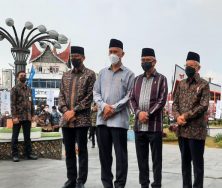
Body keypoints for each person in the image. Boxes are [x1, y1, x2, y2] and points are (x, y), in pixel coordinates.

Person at [93, 38, 135, 188]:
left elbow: (130, 96)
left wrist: (113, 108)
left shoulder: (130, 74)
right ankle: (107, 184)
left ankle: (119, 185)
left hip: (119, 122)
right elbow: (96, 93)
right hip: (102, 120)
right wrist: (104, 106)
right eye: (110, 51)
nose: (113, 54)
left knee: (120, 156)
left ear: (122, 53)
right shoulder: (102, 73)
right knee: (104, 156)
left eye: (115, 52)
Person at [129, 48, 168, 188]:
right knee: (142, 159)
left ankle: (157, 184)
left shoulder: (162, 79)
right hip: (139, 127)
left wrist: (148, 114)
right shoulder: (136, 80)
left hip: (154, 126)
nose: (145, 63)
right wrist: (138, 113)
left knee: (157, 160)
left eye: (148, 60)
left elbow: (162, 100)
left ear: (154, 61)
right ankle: (144, 184)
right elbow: (131, 99)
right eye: (143, 60)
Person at [58, 46, 96, 188]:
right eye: (72, 56)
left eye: (77, 57)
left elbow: (90, 96)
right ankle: (71, 179)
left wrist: (74, 111)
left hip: (82, 120)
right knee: (69, 151)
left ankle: (81, 181)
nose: (74, 59)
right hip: (66, 120)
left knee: (82, 151)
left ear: (83, 58)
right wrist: (66, 111)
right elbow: (61, 96)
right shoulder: (65, 75)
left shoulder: (90, 74)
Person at [172, 52, 210, 188]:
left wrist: (185, 116)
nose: (188, 68)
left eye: (191, 66)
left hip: (196, 132)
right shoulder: (181, 84)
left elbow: (203, 105)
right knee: (185, 164)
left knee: (198, 165)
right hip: (182, 131)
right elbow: (174, 103)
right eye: (186, 65)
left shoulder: (204, 84)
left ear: (198, 68)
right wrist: (177, 116)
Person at [11, 70, 38, 162]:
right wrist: (14, 117)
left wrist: (33, 115)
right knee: (15, 136)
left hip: (27, 117)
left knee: (27, 137)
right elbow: (12, 104)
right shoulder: (14, 89)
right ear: (17, 77)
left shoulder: (29, 89)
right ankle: (15, 155)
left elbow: (32, 103)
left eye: (24, 75)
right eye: (21, 75)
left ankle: (28, 154)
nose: (23, 76)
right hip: (18, 117)